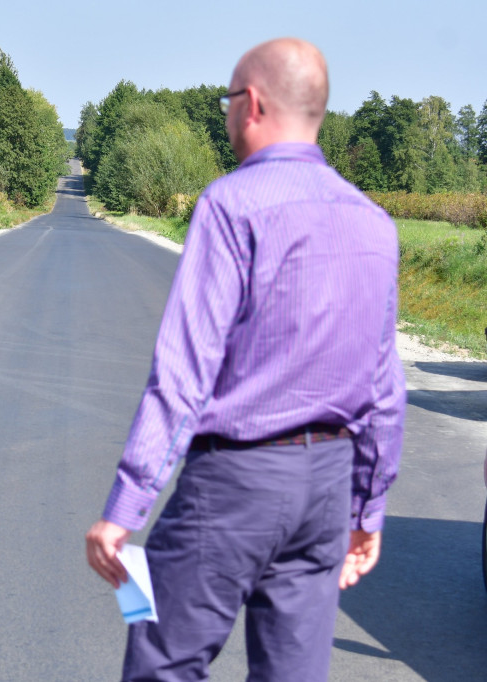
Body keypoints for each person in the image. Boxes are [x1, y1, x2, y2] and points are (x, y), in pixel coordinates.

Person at [85, 37, 405, 681]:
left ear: (251, 104)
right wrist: (367, 509)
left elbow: (184, 375)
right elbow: (384, 389)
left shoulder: (231, 206)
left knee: (163, 664)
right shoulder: (374, 222)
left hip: (234, 484)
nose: (227, 113)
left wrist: (126, 507)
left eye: (228, 99)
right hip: (326, 486)